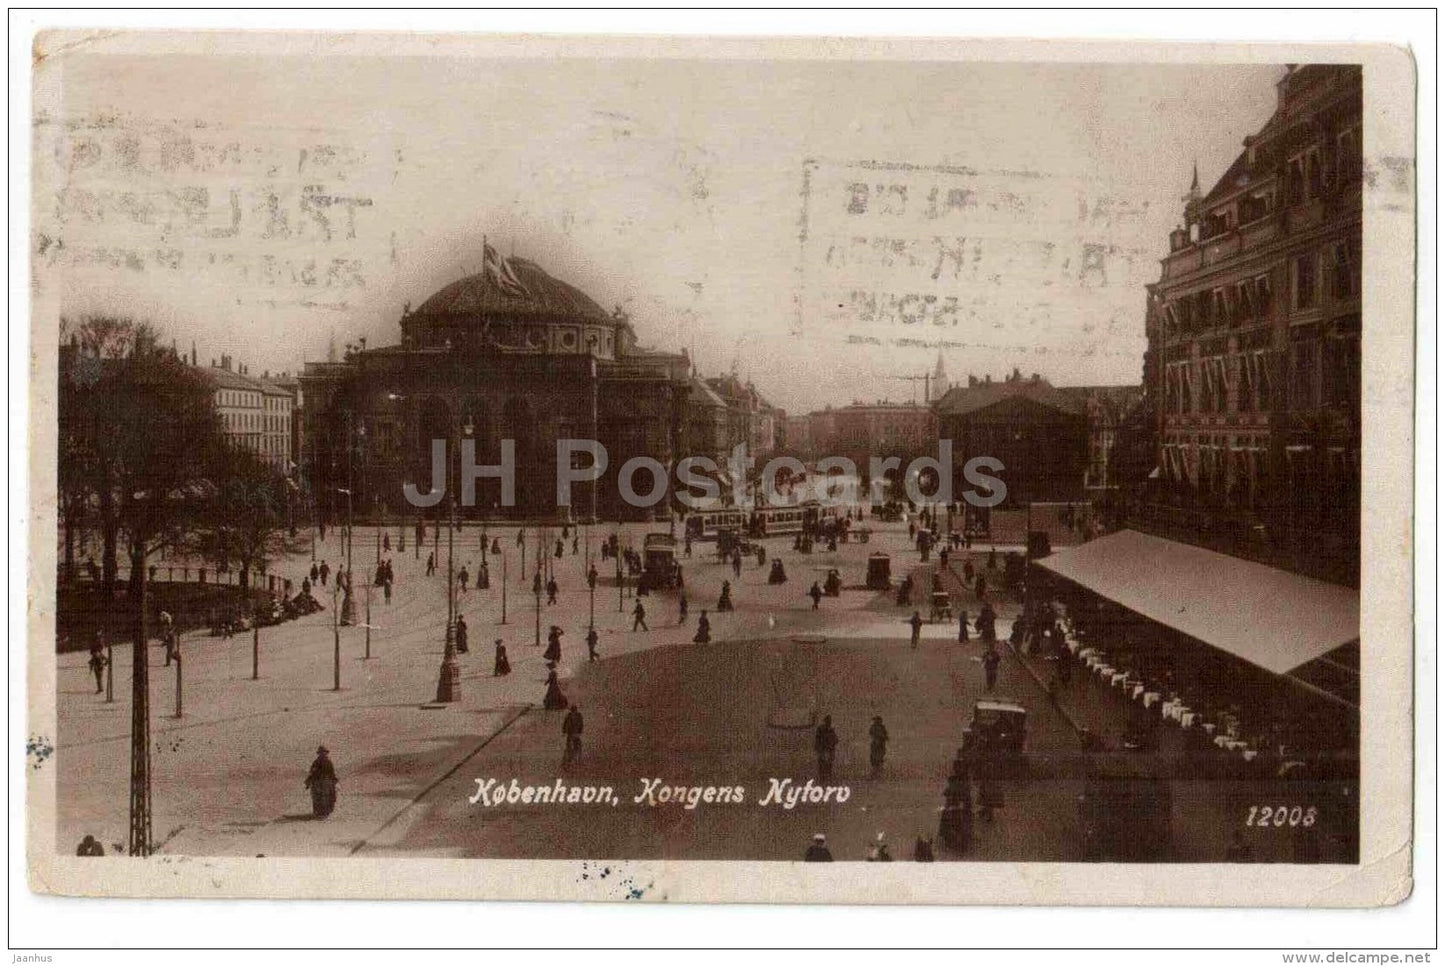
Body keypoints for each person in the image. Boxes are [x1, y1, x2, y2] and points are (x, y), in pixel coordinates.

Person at [304, 746, 338, 818]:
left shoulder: (328, 762)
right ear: (319, 753)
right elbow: (312, 772)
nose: (323, 754)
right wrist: (309, 780)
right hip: (318, 782)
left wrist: (334, 780)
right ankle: (319, 812)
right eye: (321, 752)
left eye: (324, 752)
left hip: (327, 782)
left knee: (328, 796)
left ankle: (325, 812)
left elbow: (332, 772)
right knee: (318, 797)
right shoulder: (316, 762)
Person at [814, 715, 838, 780]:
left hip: (827, 749)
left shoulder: (830, 729)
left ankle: (825, 776)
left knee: (827, 763)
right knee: (823, 763)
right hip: (824, 749)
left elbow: (835, 739)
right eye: (828, 721)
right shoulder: (822, 729)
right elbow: (818, 739)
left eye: (829, 721)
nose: (829, 722)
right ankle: (824, 776)